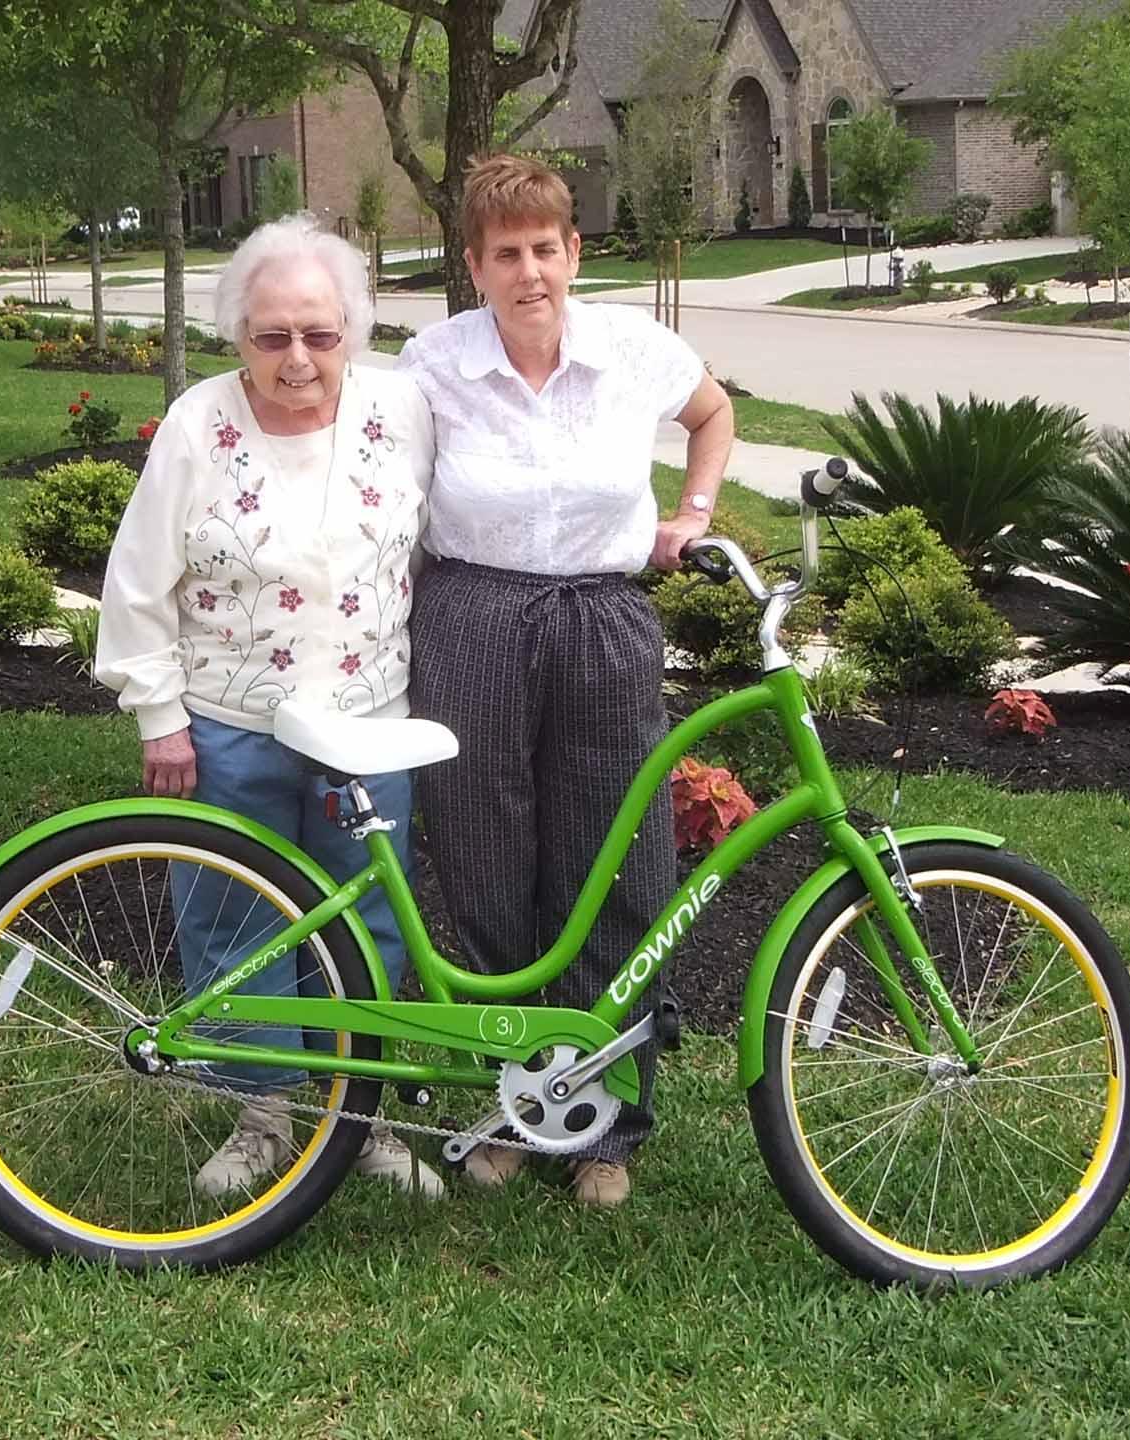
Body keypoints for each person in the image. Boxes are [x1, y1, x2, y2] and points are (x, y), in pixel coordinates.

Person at [396, 154, 736, 1208]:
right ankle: (516, 1102)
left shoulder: (636, 351)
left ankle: (607, 1126)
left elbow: (712, 414)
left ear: (574, 252)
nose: (529, 271)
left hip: (601, 618)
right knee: (485, 854)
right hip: (470, 620)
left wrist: (696, 515)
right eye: (506, 253)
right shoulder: (430, 364)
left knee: (615, 852)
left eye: (546, 248)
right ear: (474, 266)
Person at [96, 213, 442, 1200]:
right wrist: (158, 713)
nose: (297, 359)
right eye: (271, 336)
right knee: (232, 920)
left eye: (319, 335)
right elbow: (136, 580)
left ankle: (361, 1116)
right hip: (231, 726)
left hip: (369, 723)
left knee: (367, 919)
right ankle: (264, 1118)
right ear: (236, 335)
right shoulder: (199, 426)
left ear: (355, 331)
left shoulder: (401, 412)